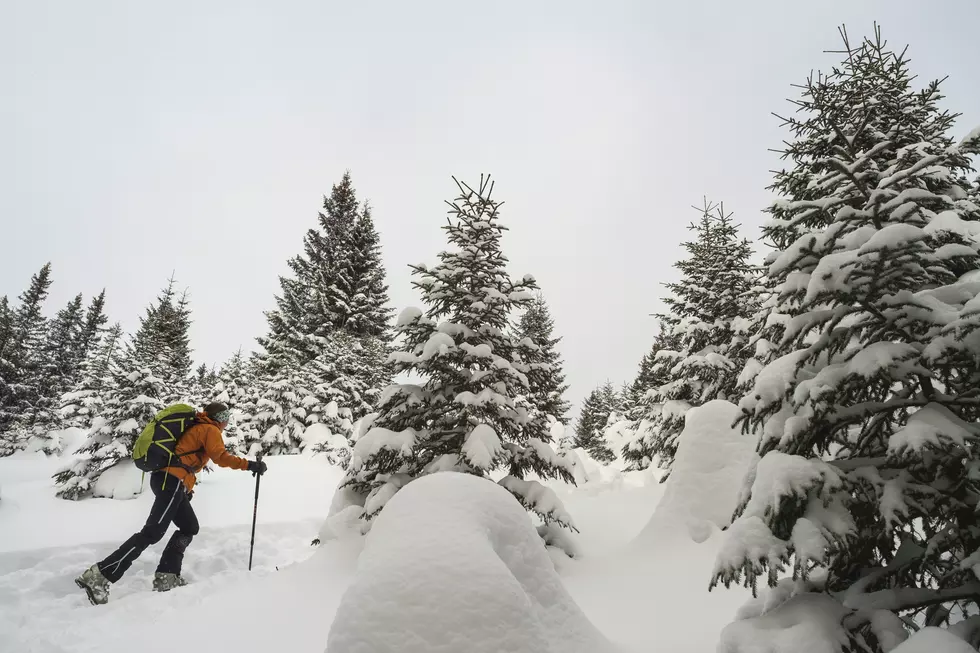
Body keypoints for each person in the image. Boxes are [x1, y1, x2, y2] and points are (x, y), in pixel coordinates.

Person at [74, 401, 268, 605]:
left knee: (189, 527)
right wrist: (250, 465)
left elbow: (187, 459)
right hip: (171, 481)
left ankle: (167, 575)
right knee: (152, 532)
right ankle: (100, 575)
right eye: (225, 416)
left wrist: (186, 489)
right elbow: (220, 457)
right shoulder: (209, 429)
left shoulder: (199, 427)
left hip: (172, 482)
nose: (227, 421)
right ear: (219, 418)